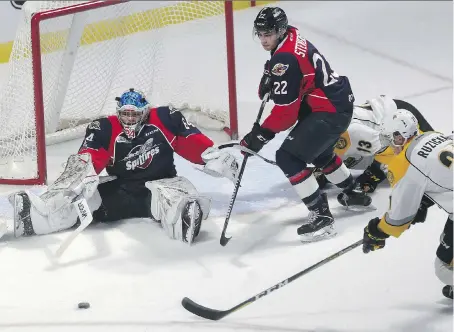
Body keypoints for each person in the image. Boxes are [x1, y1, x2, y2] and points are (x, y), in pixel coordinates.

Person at [10, 89, 239, 245]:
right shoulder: (104, 127)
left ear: (145, 112)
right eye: (125, 114)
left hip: (161, 187)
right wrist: (81, 176)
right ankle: (35, 217)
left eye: (134, 114)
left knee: (178, 203)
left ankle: (186, 217)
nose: (129, 119)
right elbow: (89, 156)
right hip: (120, 192)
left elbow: (189, 140)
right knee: (81, 198)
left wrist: (211, 155)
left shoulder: (164, 119)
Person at [240, 6, 370, 242]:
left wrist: (259, 135)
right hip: (335, 103)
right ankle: (355, 193)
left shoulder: (284, 58)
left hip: (328, 111)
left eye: (268, 33)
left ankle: (322, 217)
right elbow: (299, 70)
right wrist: (273, 76)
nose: (263, 39)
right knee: (319, 152)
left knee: (288, 157)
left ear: (279, 30)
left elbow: (286, 114)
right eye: (259, 33)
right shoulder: (291, 36)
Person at [362, 109, 453, 299]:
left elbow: (398, 218)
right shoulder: (433, 135)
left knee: (443, 268)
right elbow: (441, 176)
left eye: (390, 139)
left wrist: (377, 231)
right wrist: (422, 202)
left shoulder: (404, 162)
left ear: (400, 137)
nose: (389, 146)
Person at [316, 95, 434, 193]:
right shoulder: (327, 140)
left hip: (399, 122)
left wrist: (373, 176)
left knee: (431, 159)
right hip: (376, 135)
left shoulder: (352, 133)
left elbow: (391, 149)